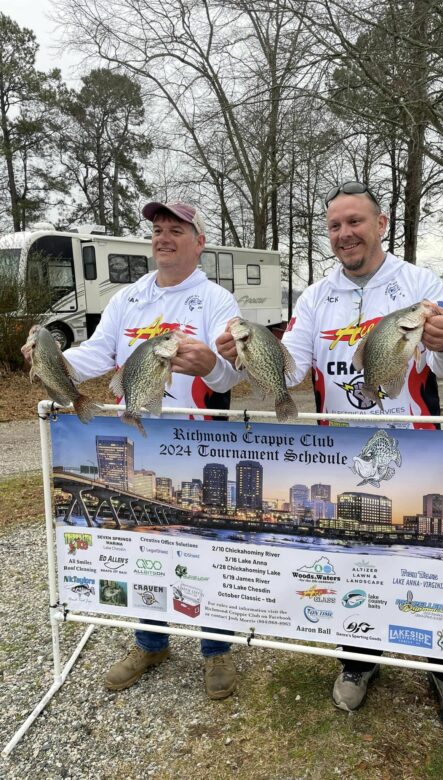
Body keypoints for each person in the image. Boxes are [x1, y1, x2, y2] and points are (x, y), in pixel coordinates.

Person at [217, 181, 443, 734]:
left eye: (354, 222)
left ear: (380, 224)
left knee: (429, 560)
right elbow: (290, 372)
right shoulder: (315, 298)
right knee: (351, 562)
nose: (344, 234)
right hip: (341, 459)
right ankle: (358, 661)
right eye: (334, 226)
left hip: (419, 450)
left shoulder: (420, 285)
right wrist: (246, 355)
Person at [23, 200, 241, 700]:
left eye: (176, 230)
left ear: (199, 241)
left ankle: (216, 651)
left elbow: (231, 374)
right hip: (135, 441)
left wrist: (209, 362)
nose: (164, 237)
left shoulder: (216, 302)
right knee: (142, 544)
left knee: (205, 547)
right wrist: (51, 357)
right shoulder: (128, 299)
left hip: (198, 445)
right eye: (158, 230)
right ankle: (150, 642)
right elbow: (96, 355)